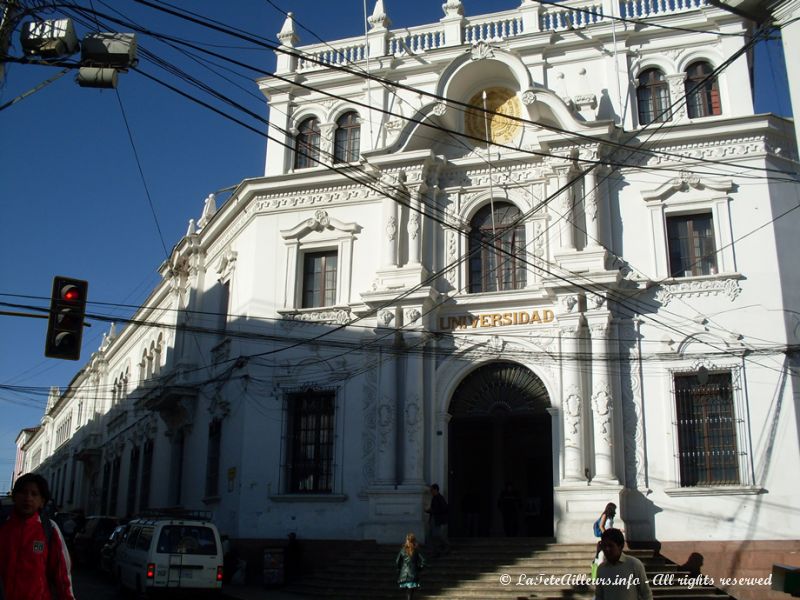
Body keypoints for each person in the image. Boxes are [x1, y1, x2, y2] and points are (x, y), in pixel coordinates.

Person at [0, 473, 76, 600]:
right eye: (23, 492)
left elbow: (62, 574)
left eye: (34, 494)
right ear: (14, 497)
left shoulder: (50, 529)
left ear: (42, 502)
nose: (28, 498)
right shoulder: (3, 527)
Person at [595, 528, 653, 600]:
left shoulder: (634, 565)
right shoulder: (601, 569)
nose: (607, 549)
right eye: (604, 546)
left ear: (620, 546)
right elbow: (599, 596)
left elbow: (646, 593)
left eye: (610, 546)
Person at [395, 533, 425, 600]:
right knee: (410, 593)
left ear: (407, 540)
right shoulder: (416, 550)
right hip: (413, 574)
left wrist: (399, 570)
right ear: (414, 540)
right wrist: (419, 568)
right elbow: (424, 561)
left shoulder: (403, 550)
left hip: (404, 575)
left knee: (408, 593)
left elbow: (397, 561)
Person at [424, 484, 449, 556]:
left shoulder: (439, 498)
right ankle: (433, 551)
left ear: (435, 490)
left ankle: (445, 546)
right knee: (430, 536)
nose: (431, 492)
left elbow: (443, 508)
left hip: (436, 519)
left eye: (431, 490)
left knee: (436, 535)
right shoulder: (435, 498)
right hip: (434, 518)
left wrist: (431, 510)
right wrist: (430, 511)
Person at [594, 502, 617, 567]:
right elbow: (601, 526)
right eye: (614, 509)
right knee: (603, 552)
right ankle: (598, 565)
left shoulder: (610, 517)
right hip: (606, 536)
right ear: (611, 508)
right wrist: (606, 535)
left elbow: (610, 527)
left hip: (610, 536)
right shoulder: (605, 515)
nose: (615, 510)